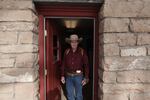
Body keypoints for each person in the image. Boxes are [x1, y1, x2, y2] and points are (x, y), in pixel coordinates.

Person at [61, 34, 89, 100]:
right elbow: (63, 64)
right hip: (68, 77)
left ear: (78, 43)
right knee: (70, 96)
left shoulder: (82, 51)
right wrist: (62, 75)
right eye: (72, 42)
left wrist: (86, 77)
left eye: (75, 42)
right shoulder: (66, 51)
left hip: (78, 76)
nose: (74, 43)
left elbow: (86, 65)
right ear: (70, 43)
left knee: (79, 96)